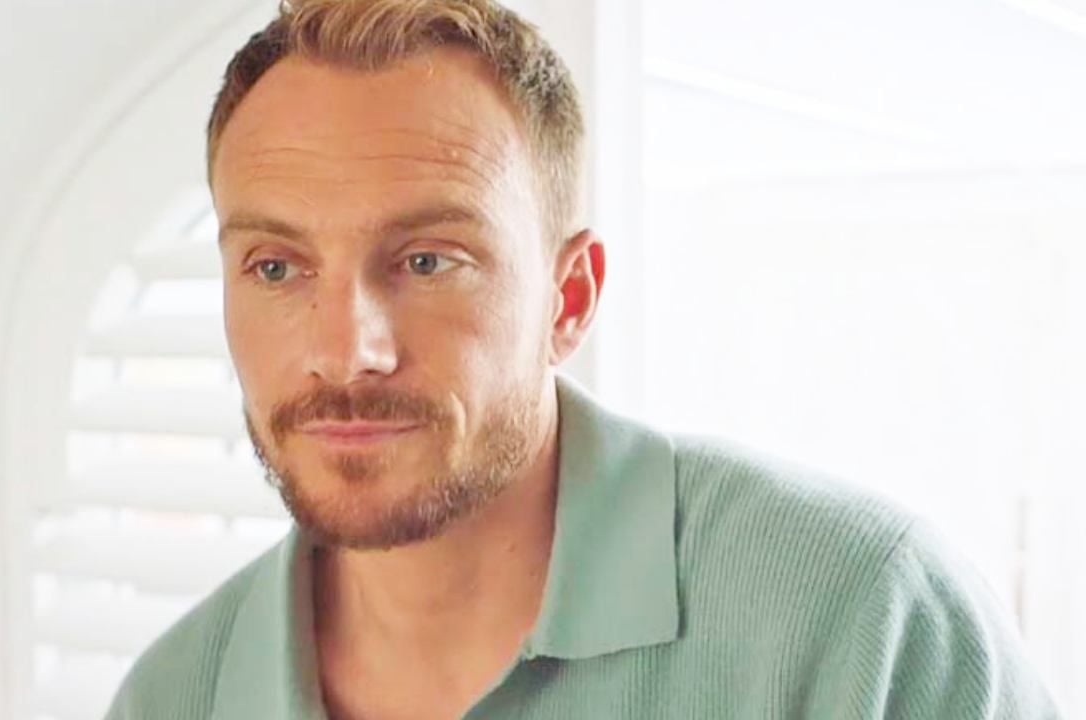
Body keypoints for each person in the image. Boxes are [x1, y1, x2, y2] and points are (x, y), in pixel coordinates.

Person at [106, 1, 1061, 718]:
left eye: (429, 261)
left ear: (568, 299)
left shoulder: (857, 616)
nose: (347, 351)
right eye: (276, 267)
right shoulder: (172, 698)